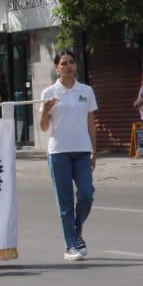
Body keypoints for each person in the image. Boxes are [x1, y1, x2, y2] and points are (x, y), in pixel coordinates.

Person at [39, 50, 99, 262]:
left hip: (82, 150)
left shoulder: (86, 91)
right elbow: (44, 127)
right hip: (59, 152)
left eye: (71, 62)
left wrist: (94, 151)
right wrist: (46, 111)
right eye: (63, 63)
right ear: (57, 68)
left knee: (86, 194)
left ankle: (76, 231)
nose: (68, 66)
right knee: (65, 202)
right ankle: (71, 245)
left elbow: (91, 123)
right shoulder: (49, 92)